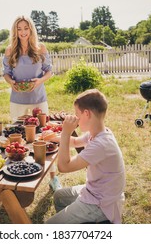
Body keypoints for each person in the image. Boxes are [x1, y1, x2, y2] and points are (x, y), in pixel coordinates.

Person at [46, 89, 125, 224]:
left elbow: (63, 166)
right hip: (94, 191)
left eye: (77, 114)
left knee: (49, 225)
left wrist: (65, 133)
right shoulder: (98, 132)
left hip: (101, 204)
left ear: (87, 114)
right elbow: (76, 142)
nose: (76, 118)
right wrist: (53, 137)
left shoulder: (101, 144)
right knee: (59, 196)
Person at [3, 16, 61, 191]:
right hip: (18, 99)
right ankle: (14, 173)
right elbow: (6, 73)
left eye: (25, 28)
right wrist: (11, 82)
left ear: (31, 29)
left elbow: (49, 71)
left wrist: (39, 81)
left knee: (45, 135)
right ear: (15, 31)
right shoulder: (10, 50)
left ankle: (53, 178)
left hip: (38, 98)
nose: (22, 32)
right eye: (19, 29)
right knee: (16, 137)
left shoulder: (40, 48)